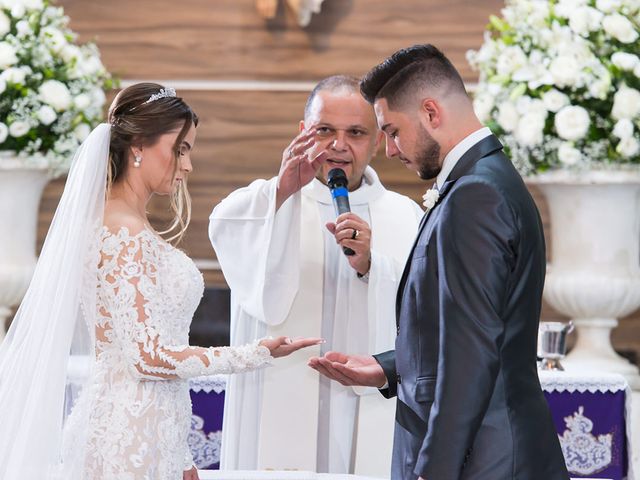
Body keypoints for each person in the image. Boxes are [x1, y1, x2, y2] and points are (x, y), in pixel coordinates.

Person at [0, 83, 320, 480]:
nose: (187, 165)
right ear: (138, 146)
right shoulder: (122, 232)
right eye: (180, 148)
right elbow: (147, 358)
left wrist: (179, 451)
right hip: (127, 436)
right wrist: (255, 353)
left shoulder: (126, 226)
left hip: (150, 431)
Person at [309, 45, 570, 480]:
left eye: (392, 130)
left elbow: (471, 352)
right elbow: (470, 329)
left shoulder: (474, 195)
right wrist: (390, 367)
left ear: (431, 112)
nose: (389, 150)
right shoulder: (485, 179)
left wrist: (433, 471)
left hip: (483, 457)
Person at [209, 75, 423, 474]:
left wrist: (371, 266)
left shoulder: (406, 216)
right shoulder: (266, 201)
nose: (339, 145)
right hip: (280, 399)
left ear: (377, 140)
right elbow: (226, 229)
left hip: (367, 409)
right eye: (325, 130)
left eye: (356, 133)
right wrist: (282, 192)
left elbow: (426, 311)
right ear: (303, 132)